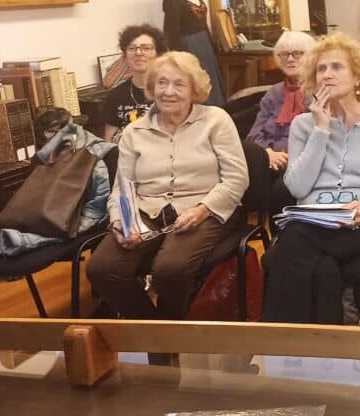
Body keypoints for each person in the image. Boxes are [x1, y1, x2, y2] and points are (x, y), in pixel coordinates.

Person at [86, 51, 249, 325]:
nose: (169, 92)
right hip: (147, 210)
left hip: (205, 209)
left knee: (169, 269)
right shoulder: (134, 132)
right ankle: (157, 332)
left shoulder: (216, 120)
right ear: (152, 88)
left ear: (194, 89)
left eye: (179, 84)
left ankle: (170, 334)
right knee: (102, 269)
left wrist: (202, 210)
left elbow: (236, 178)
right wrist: (123, 223)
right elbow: (123, 188)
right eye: (162, 83)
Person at [262, 33, 360, 325]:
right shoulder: (304, 125)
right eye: (321, 69)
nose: (327, 74)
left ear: (358, 78)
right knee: (320, 266)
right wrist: (321, 129)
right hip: (314, 220)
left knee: (293, 247)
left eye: (337, 67)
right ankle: (322, 345)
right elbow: (297, 187)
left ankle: (282, 348)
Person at [162, 0, 226, 106]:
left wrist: (212, 46)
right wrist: (179, 57)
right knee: (195, 84)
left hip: (204, 44)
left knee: (210, 82)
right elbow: (171, 29)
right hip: (188, 46)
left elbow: (204, 23)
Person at [246, 30, 317, 171]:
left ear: (311, 57)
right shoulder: (274, 93)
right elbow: (254, 135)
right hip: (269, 161)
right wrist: (268, 153)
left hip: (305, 163)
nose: (290, 59)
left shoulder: (320, 90)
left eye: (297, 53)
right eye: (284, 54)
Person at [101, 24, 169, 142]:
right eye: (132, 48)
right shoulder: (115, 96)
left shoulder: (171, 91)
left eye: (146, 48)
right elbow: (109, 141)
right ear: (125, 56)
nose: (138, 53)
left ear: (158, 54)